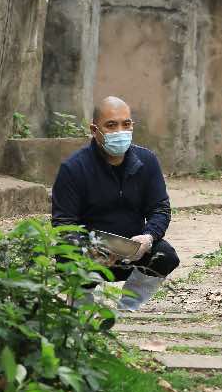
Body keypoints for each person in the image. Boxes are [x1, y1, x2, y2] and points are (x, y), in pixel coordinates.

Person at [51, 95, 180, 312]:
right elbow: (63, 223)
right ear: (94, 130)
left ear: (132, 126)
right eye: (111, 125)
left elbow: (160, 208)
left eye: (126, 124)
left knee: (165, 256)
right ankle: (82, 309)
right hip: (90, 254)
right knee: (68, 257)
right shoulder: (73, 168)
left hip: (132, 252)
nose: (120, 131)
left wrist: (148, 238)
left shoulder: (147, 162)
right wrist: (88, 248)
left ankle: (128, 308)